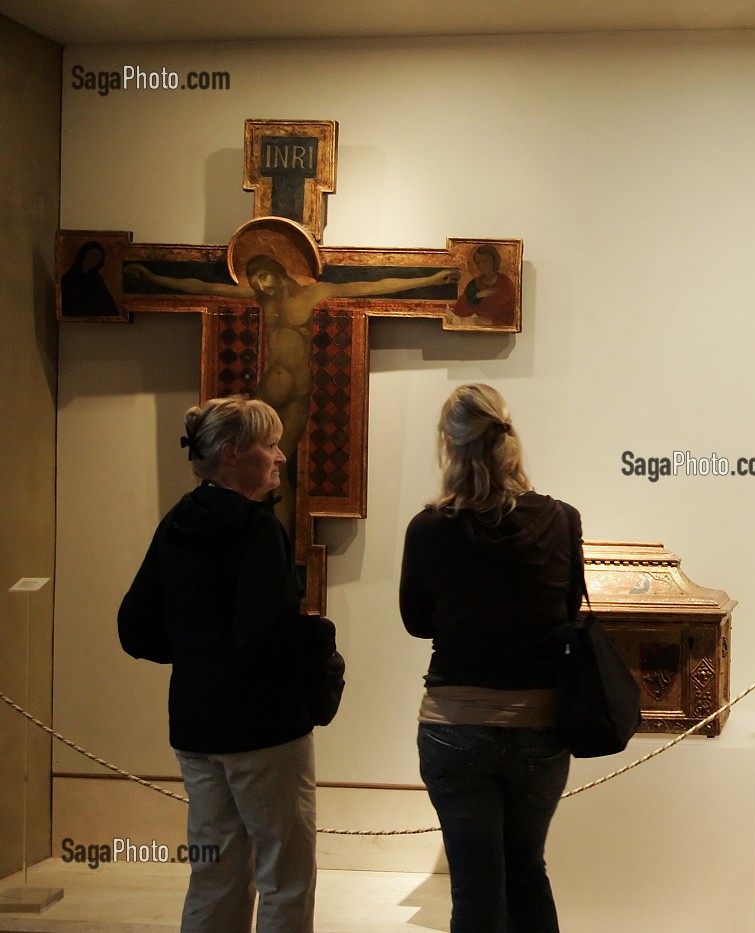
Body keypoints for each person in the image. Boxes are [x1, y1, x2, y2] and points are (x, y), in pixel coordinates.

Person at [118, 396, 338, 933]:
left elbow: (135, 626)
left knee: (213, 874)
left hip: (196, 723)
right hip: (262, 728)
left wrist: (198, 653)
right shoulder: (255, 528)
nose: (281, 456)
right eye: (270, 444)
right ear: (235, 454)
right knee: (284, 876)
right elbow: (265, 633)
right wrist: (321, 637)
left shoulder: (178, 521)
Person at [399, 383, 579, 933]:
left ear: (449, 447)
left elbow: (416, 622)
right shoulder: (560, 518)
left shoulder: (429, 527)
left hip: (456, 726)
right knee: (528, 872)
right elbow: (565, 610)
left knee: (476, 888)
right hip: (540, 725)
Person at [126, 256, 459, 540]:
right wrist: (155, 278)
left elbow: (367, 286)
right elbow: (206, 288)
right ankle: (255, 536)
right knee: (253, 471)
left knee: (279, 465)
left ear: (279, 271)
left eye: (264, 275)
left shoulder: (315, 292)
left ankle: (280, 541)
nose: (260, 284)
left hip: (299, 393)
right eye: (254, 279)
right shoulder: (262, 299)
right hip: (268, 392)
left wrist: (429, 278)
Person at [449, 244, 516, 328]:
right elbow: (459, 309)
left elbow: (511, 314)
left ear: (493, 261)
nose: (481, 266)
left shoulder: (505, 283)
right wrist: (477, 295)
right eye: (478, 262)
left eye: (484, 261)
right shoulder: (473, 283)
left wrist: (491, 322)